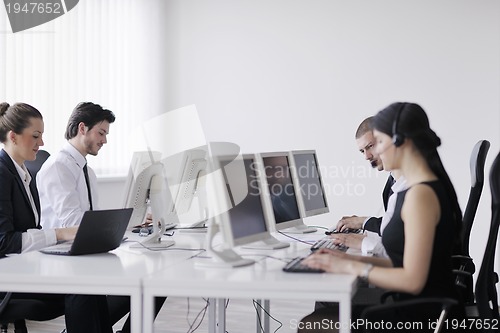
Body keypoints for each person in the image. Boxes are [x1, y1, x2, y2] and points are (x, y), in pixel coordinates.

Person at [300, 102, 464, 332]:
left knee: (314, 325)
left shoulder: (421, 196)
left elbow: (413, 280)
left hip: (422, 318)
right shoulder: (415, 190)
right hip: (415, 308)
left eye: (379, 142)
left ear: (400, 141)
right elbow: (401, 264)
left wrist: (354, 269)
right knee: (321, 317)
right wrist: (349, 260)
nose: (373, 152)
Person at [36, 102, 164, 332]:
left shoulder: (86, 170)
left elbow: (91, 220)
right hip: (64, 256)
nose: (104, 140)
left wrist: (132, 221)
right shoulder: (58, 166)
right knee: (142, 281)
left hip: (85, 252)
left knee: (156, 283)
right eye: (101, 132)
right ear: (82, 128)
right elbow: (74, 223)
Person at [0, 102, 113, 333]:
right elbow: (4, 242)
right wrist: (59, 234)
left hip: (23, 265)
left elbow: (28, 231)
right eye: (35, 136)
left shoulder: (22, 174)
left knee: (90, 280)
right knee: (83, 282)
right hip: (9, 278)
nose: (42, 143)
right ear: (13, 136)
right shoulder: (2, 174)